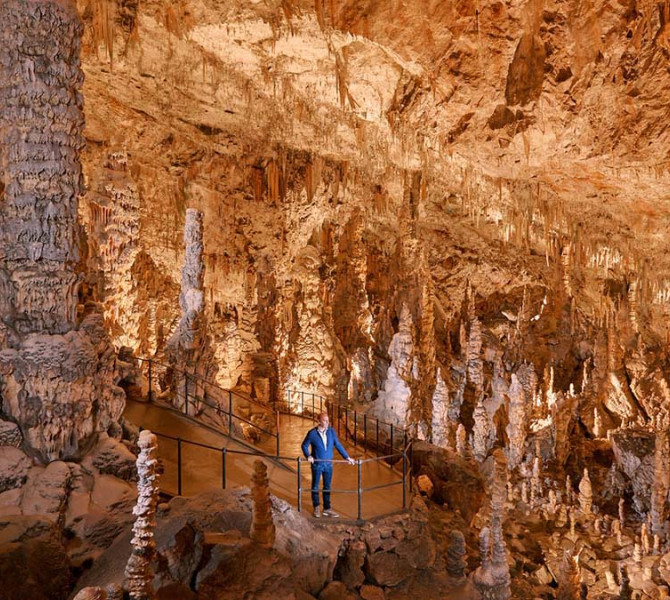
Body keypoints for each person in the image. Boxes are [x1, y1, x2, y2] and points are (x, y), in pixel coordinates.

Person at [301, 412, 355, 517]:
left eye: (328, 420)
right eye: (324, 421)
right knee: (315, 486)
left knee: (327, 486)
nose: (327, 423)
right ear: (318, 421)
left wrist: (347, 457)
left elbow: (338, 445)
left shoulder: (331, 431)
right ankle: (316, 507)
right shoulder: (312, 433)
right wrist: (308, 456)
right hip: (317, 464)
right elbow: (304, 445)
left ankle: (327, 508)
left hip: (328, 464)